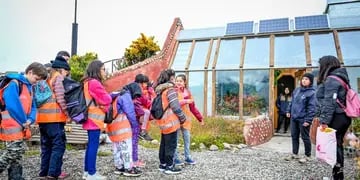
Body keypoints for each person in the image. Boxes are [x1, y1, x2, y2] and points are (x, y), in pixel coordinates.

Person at [0, 62, 47, 180]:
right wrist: (24, 121)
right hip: (11, 125)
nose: (36, 82)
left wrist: (30, 119)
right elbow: (12, 105)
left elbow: (33, 106)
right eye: (36, 79)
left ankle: (16, 177)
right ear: (30, 72)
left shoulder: (30, 87)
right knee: (13, 152)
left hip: (22, 125)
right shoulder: (14, 84)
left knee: (17, 155)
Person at [316, 55, 352, 180]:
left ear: (326, 65)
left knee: (334, 147)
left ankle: (338, 176)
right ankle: (337, 175)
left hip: (336, 117)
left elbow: (329, 102)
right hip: (343, 117)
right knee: (337, 145)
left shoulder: (332, 79)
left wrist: (324, 121)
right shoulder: (342, 77)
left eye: (320, 65)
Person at [36, 56, 70, 179]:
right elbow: (61, 98)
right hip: (54, 118)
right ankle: (52, 173)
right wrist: (67, 113)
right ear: (61, 69)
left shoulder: (45, 79)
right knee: (58, 145)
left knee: (46, 146)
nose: (67, 74)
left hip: (42, 119)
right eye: (66, 71)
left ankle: (43, 172)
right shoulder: (58, 78)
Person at [81, 60, 112, 180]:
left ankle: (87, 171)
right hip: (94, 120)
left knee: (90, 146)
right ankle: (92, 173)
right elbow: (106, 99)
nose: (105, 72)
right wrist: (109, 95)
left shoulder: (87, 82)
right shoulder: (94, 83)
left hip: (89, 118)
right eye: (103, 69)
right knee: (93, 146)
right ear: (97, 70)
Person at [155, 69, 186, 174]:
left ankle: (162, 164)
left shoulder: (161, 90)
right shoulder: (170, 90)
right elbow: (175, 106)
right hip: (171, 122)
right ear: (171, 78)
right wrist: (183, 117)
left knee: (164, 144)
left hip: (163, 122)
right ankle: (169, 166)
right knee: (171, 145)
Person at [107, 89, 141, 177]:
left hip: (112, 128)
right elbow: (130, 112)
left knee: (117, 148)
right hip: (123, 127)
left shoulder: (113, 98)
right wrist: (135, 125)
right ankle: (129, 169)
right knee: (126, 148)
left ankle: (119, 167)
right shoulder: (125, 96)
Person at [285, 73, 316, 163]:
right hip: (294, 118)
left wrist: (308, 120)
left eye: (306, 79)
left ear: (310, 81)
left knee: (305, 137)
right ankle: (295, 154)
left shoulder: (311, 93)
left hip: (303, 119)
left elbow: (312, 108)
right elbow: (292, 102)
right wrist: (288, 111)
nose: (304, 80)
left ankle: (308, 155)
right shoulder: (297, 90)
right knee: (294, 136)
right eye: (303, 79)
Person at [174, 74, 204, 166]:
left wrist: (200, 118)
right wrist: (186, 101)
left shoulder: (188, 92)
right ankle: (175, 158)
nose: (178, 83)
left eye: (180, 81)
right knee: (175, 140)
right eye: (177, 81)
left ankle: (188, 157)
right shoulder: (173, 92)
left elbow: (193, 108)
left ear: (184, 82)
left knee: (187, 139)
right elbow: (174, 104)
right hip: (176, 119)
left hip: (186, 120)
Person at [122, 82, 144, 168]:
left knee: (125, 145)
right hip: (134, 125)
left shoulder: (123, 98)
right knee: (134, 144)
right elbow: (141, 113)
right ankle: (134, 161)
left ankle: (125, 161)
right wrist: (139, 124)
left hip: (125, 125)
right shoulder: (135, 102)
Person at [134, 74, 155, 141]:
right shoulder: (140, 90)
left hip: (135, 107)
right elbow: (145, 101)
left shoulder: (134, 87)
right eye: (145, 83)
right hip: (137, 108)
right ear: (141, 83)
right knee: (146, 112)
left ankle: (141, 131)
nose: (146, 84)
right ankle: (142, 131)